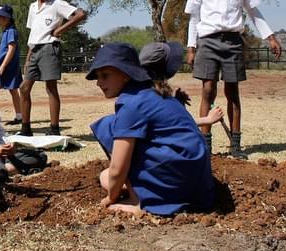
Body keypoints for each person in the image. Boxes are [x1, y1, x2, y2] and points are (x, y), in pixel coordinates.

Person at [86, 43, 214, 216]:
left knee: (108, 127)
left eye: (105, 75)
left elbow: (118, 167)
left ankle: (139, 201)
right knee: (105, 177)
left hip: (176, 177)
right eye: (97, 77)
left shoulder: (131, 104)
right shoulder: (156, 93)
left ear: (125, 75)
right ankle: (153, 192)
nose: (99, 83)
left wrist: (111, 197)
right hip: (198, 185)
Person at [185, 0, 282, 158]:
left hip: (233, 41)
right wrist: (191, 48)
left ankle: (235, 145)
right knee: (207, 90)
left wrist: (270, 37)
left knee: (232, 92)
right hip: (207, 41)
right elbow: (194, 18)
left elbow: (253, 12)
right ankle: (205, 144)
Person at [18, 0, 86, 136]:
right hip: (35, 49)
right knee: (24, 88)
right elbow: (33, 34)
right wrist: (28, 58)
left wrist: (60, 30)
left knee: (51, 88)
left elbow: (80, 14)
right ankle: (25, 128)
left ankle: (54, 129)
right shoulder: (33, 8)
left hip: (50, 48)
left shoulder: (57, 5)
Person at [139, 41, 225, 128]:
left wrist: (175, 101)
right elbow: (170, 123)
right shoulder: (150, 97)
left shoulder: (145, 91)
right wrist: (208, 119)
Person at [0, 4, 23, 126]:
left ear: (8, 18)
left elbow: (11, 48)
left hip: (9, 65)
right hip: (2, 64)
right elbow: (1, 50)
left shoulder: (11, 31)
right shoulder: (5, 32)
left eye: (1, 17)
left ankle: (19, 115)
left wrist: (3, 65)